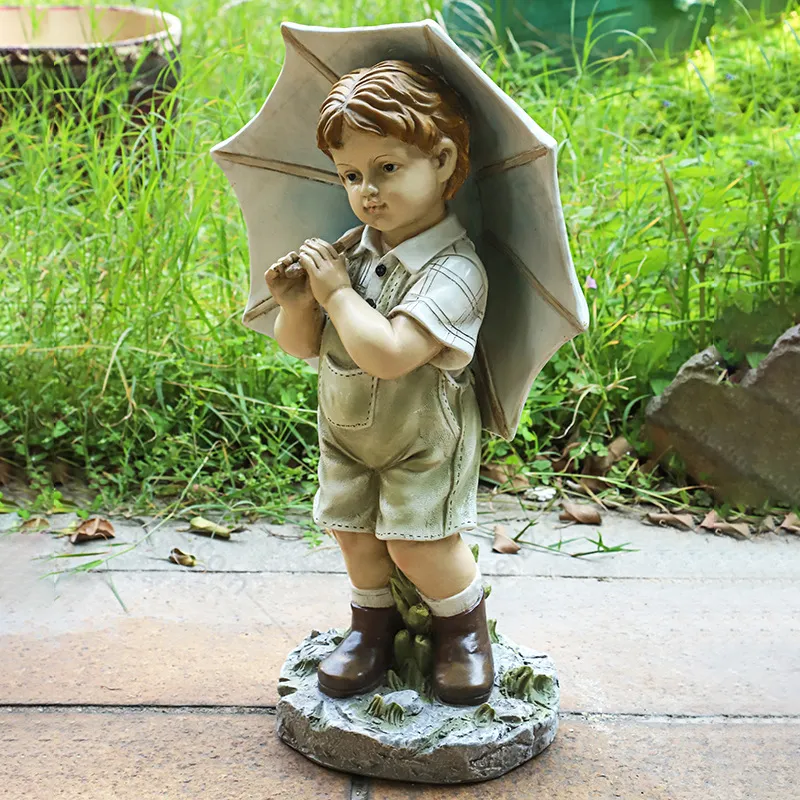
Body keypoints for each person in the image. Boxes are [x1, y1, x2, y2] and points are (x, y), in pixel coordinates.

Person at [265, 60, 492, 706]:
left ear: (443, 161)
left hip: (423, 444)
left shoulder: (455, 273)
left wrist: (334, 294)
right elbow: (302, 347)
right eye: (351, 175)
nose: (367, 190)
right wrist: (296, 305)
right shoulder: (353, 252)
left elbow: (391, 354)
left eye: (387, 168)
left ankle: (463, 633)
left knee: (420, 546)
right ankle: (371, 628)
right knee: (356, 537)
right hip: (346, 434)